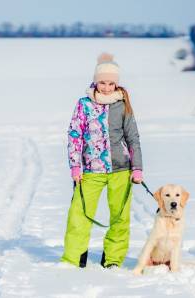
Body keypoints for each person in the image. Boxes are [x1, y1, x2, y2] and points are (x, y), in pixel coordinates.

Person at [61, 53, 143, 269]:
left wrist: (137, 168)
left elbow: (132, 137)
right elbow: (74, 135)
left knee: (120, 216)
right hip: (90, 171)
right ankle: (73, 259)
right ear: (96, 81)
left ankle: (113, 259)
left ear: (117, 83)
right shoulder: (84, 104)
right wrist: (75, 165)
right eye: (103, 82)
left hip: (120, 170)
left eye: (111, 83)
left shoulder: (122, 104)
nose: (106, 87)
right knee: (79, 214)